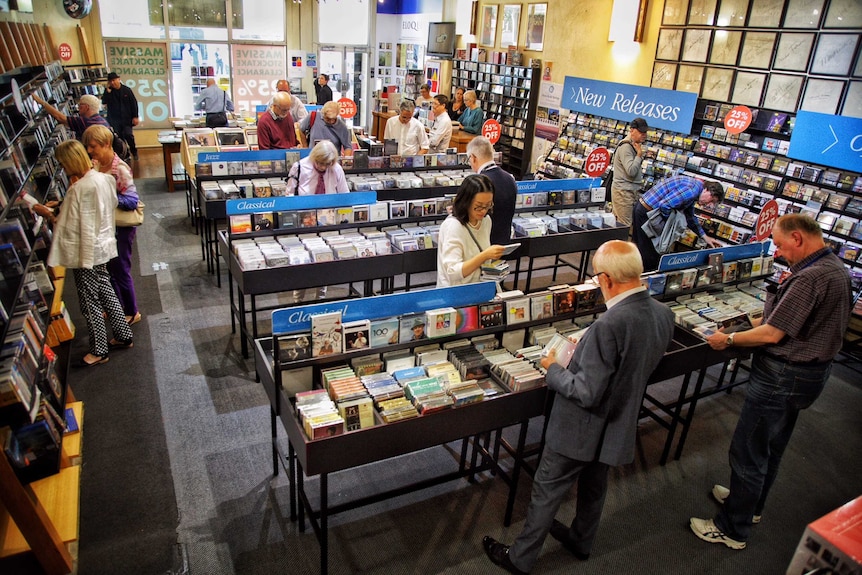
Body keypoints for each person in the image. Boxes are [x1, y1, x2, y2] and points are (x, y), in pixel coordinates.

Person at [482, 240, 674, 574]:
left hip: (579, 427)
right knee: (594, 487)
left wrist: (552, 366)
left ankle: (520, 559)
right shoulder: (662, 314)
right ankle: (581, 540)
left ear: (605, 279)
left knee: (547, 490)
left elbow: (585, 392)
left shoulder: (608, 326)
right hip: (617, 425)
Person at [691, 214, 851, 550]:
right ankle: (751, 505)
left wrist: (730, 341)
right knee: (772, 445)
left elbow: (773, 334)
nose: (778, 253)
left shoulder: (810, 278)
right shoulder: (837, 268)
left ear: (797, 238)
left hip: (783, 376)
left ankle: (732, 529)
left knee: (749, 448)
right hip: (810, 375)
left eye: (779, 245)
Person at [47, 140, 134, 366]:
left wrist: (47, 214)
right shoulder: (104, 179)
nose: (63, 168)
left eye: (63, 163)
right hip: (103, 245)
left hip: (85, 252)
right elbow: (109, 204)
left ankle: (99, 350)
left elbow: (67, 223)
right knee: (105, 289)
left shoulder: (78, 188)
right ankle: (124, 335)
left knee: (89, 301)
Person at [82, 125, 142, 326]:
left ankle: (132, 311)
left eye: (93, 146)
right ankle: (116, 307)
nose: (90, 151)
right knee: (109, 270)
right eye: (88, 147)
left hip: (121, 228)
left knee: (121, 269)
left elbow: (132, 201)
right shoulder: (96, 165)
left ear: (106, 144)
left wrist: (106, 194)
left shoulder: (119, 169)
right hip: (105, 227)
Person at [632, 175, 724, 272]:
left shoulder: (695, 188)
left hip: (643, 208)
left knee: (639, 248)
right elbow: (664, 205)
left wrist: (705, 237)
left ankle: (632, 275)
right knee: (649, 254)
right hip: (646, 213)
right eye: (712, 200)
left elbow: (689, 216)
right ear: (707, 190)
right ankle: (643, 279)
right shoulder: (692, 190)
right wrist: (669, 222)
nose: (709, 205)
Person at [436, 174, 506, 287]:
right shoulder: (453, 226)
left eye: (488, 205)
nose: (483, 211)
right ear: (466, 202)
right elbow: (452, 272)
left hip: (480, 287)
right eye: (478, 206)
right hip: (457, 293)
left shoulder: (486, 220)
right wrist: (485, 255)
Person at [467, 136, 516, 245]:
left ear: (473, 158)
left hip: (482, 245)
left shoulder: (478, 182)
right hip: (504, 241)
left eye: (468, 159)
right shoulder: (510, 178)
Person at [611, 117, 649, 227]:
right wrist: (639, 155)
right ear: (632, 130)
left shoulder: (634, 145)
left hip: (630, 191)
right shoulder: (626, 146)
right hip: (623, 192)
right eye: (641, 132)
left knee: (624, 223)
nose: (644, 135)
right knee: (623, 225)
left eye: (645, 132)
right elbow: (631, 171)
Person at [31, 93, 109, 141]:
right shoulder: (103, 121)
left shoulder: (85, 122)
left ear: (86, 107)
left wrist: (42, 103)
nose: (78, 108)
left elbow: (60, 117)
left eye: (80, 105)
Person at [101, 72, 140, 160]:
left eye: (114, 80)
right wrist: (107, 92)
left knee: (128, 135)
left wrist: (135, 116)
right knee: (120, 139)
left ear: (119, 79)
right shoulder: (109, 91)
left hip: (126, 119)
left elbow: (134, 104)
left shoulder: (127, 90)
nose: (112, 83)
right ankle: (126, 155)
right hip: (114, 120)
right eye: (110, 81)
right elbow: (104, 102)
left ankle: (134, 151)